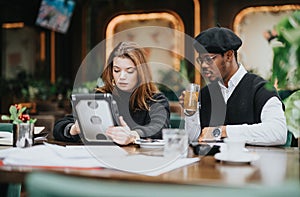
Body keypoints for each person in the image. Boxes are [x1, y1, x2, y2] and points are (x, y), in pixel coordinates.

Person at [179, 26, 287, 146]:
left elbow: (278, 132)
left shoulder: (261, 90)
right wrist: (190, 113)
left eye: (209, 59)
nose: (203, 65)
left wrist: (222, 131)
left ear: (229, 56)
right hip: (209, 164)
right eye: (201, 60)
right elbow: (194, 139)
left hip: (252, 163)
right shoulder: (205, 94)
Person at [53, 41, 170, 145]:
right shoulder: (100, 96)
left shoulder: (155, 99)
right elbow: (59, 126)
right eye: (117, 70)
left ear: (140, 73)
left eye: (130, 71)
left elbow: (159, 128)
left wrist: (133, 135)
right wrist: (74, 129)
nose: (122, 77)